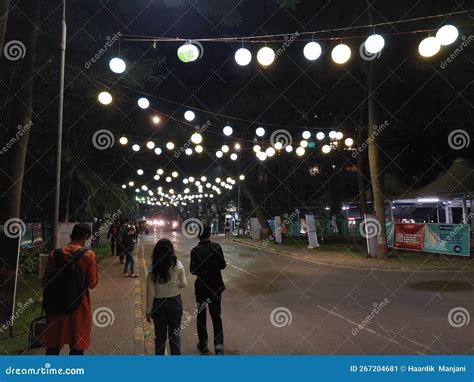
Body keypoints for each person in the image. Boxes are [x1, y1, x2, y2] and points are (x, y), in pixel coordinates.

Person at [41, 223, 99, 355]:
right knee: (77, 349)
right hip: (78, 307)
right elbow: (92, 284)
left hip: (56, 307)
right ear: (86, 236)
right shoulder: (88, 255)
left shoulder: (54, 254)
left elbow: (45, 281)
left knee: (52, 349)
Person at [146, 239, 187, 355]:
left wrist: (148, 311)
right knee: (175, 336)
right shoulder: (177, 265)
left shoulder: (153, 268)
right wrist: (176, 287)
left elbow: (150, 292)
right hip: (175, 303)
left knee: (160, 337)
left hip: (158, 305)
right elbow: (184, 283)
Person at [190, 225, 226, 355]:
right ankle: (219, 349)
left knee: (201, 316)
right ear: (209, 234)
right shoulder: (216, 247)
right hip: (215, 287)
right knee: (216, 317)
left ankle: (203, 344)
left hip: (201, 288)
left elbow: (193, 270)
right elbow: (223, 265)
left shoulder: (195, 251)